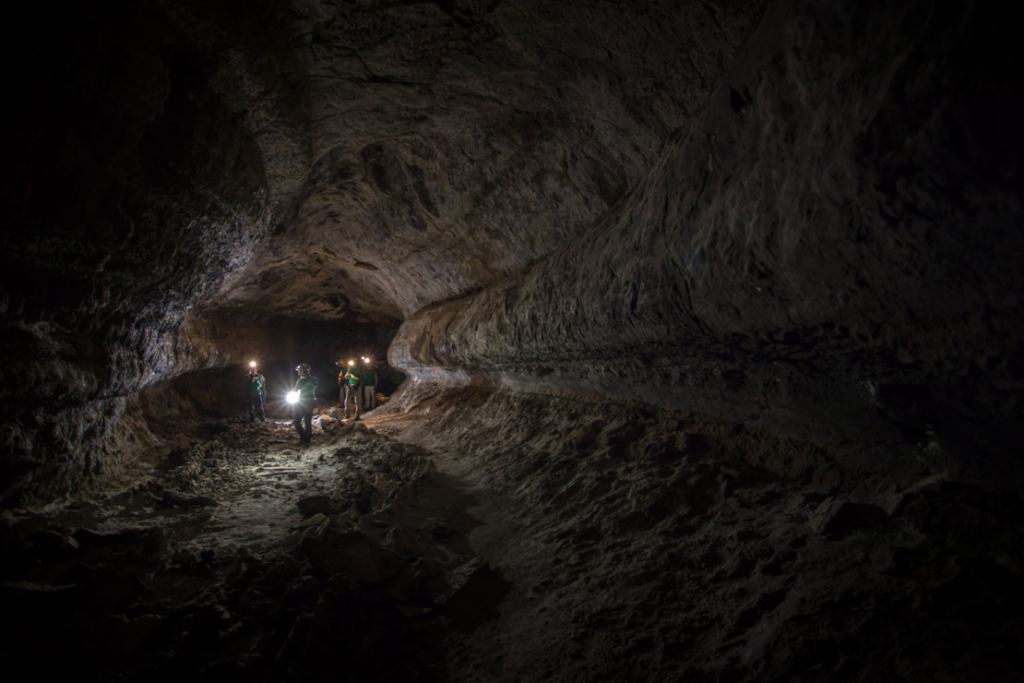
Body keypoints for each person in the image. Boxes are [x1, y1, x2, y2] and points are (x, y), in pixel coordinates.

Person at [292, 363, 318, 444]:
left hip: (305, 401)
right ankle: (306, 438)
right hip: (305, 401)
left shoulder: (307, 380)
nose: (298, 372)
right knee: (303, 421)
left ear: (303, 371)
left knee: (301, 422)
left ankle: (305, 439)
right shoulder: (305, 379)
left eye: (299, 370)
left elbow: (314, 385)